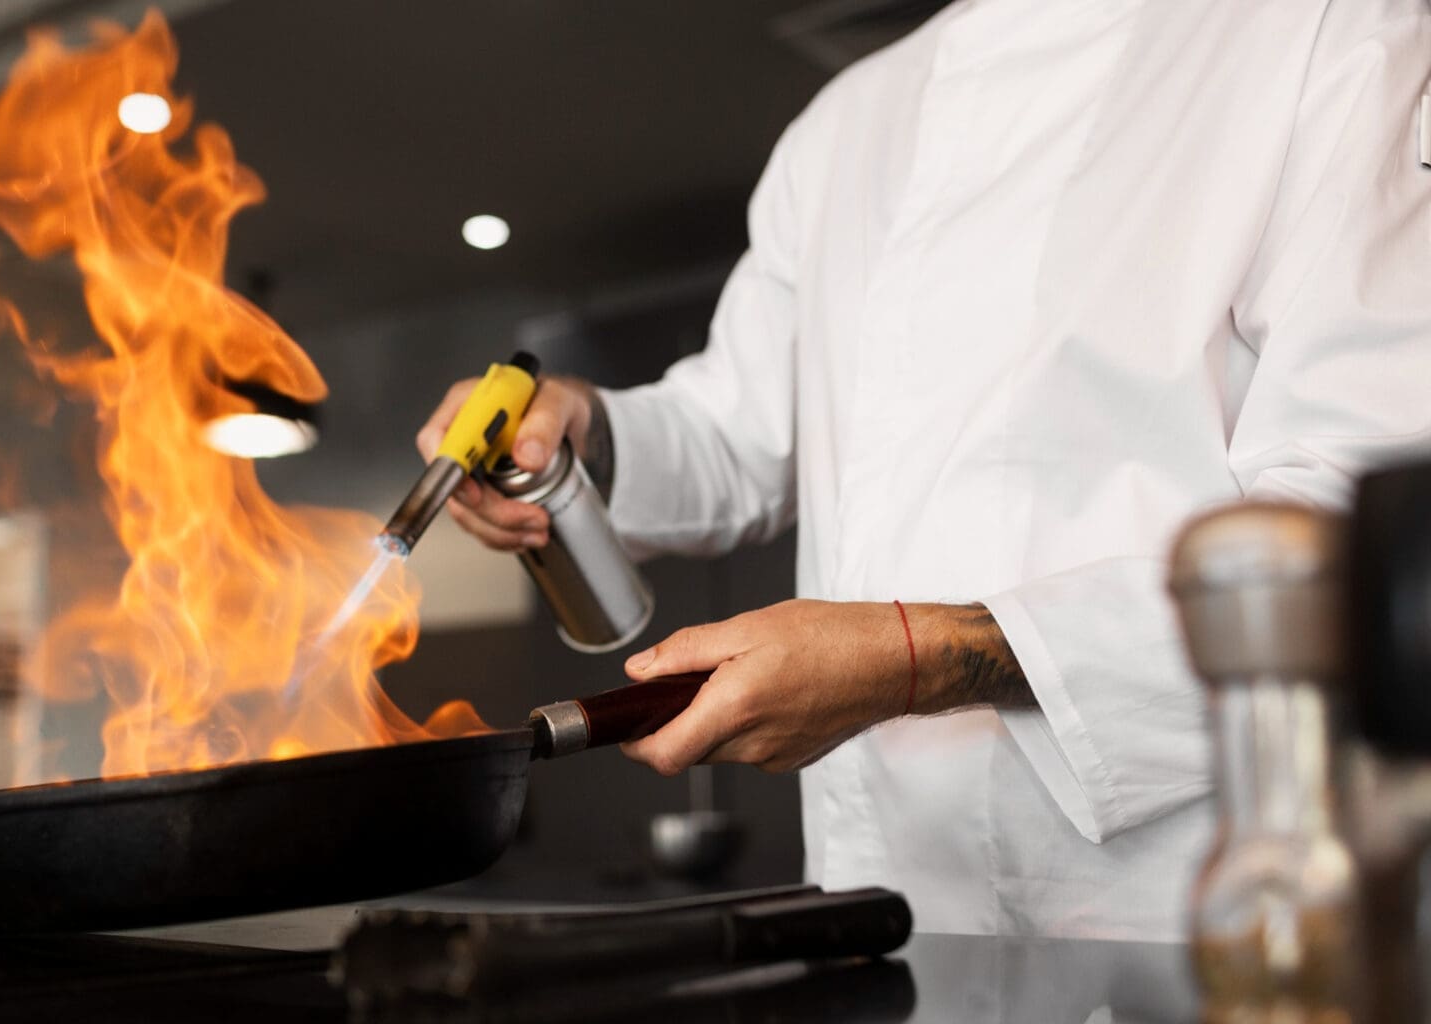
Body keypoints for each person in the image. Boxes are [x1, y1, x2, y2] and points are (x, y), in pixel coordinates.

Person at [418, 0, 1431, 939]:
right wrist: (581, 430)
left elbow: (1358, 531)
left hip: (1196, 908)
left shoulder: (1334, 36)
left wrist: (920, 655)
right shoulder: (846, 123)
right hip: (885, 897)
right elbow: (733, 431)